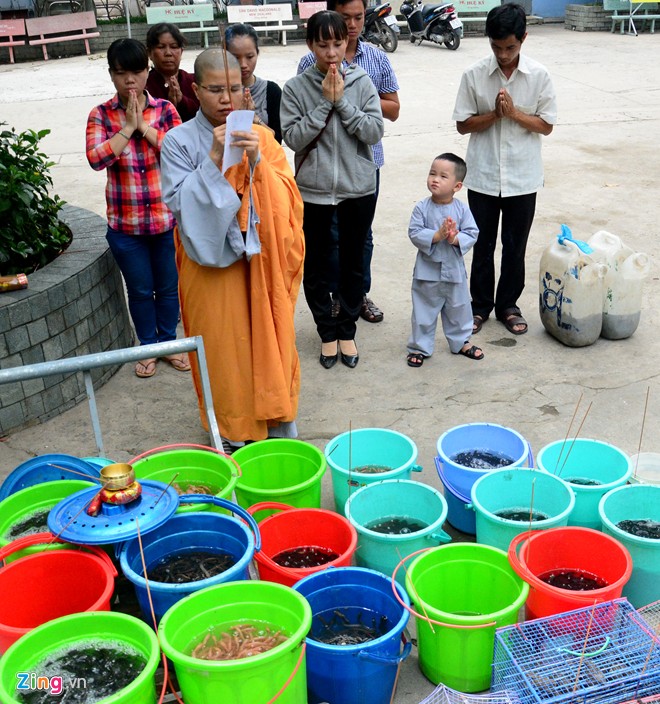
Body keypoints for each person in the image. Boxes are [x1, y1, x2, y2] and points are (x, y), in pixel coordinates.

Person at [160, 49, 305, 452]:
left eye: (236, 88)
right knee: (224, 354)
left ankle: (275, 426)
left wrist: (257, 162)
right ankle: (231, 433)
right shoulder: (177, 141)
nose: (227, 99)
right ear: (195, 89)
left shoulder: (262, 137)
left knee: (268, 342)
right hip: (210, 271)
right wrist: (211, 161)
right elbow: (179, 205)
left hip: (260, 265)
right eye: (216, 89)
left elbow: (288, 202)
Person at [282, 11, 384, 370]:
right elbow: (292, 138)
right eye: (322, 44)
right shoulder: (296, 88)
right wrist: (325, 102)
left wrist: (342, 101)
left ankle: (347, 330)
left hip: (357, 189)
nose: (330, 52)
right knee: (317, 267)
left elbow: (374, 132)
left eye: (337, 43)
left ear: (347, 42)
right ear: (311, 45)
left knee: (353, 266)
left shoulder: (362, 82)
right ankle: (326, 333)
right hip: (313, 191)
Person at [86, 38, 189, 379]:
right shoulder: (100, 115)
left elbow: (178, 152)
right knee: (141, 290)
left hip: (165, 221)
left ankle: (168, 345)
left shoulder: (165, 111)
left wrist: (142, 127)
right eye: (121, 73)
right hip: (125, 226)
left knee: (169, 287)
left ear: (147, 72)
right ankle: (147, 347)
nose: (130, 80)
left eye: (136, 72)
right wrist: (127, 128)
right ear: (112, 75)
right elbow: (96, 159)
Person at [452, 3, 557, 337]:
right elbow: (463, 125)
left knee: (515, 245)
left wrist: (513, 114)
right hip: (483, 175)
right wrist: (494, 115)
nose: (504, 54)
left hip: (523, 177)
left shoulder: (539, 76)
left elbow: (546, 126)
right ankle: (479, 306)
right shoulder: (474, 74)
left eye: (510, 47)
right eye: (496, 47)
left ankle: (508, 305)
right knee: (481, 244)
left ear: (524, 38)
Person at [297, 0, 399, 324]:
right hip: (322, 165)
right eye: (346, 18)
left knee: (361, 237)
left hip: (365, 163)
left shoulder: (375, 59)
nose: (353, 25)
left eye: (358, 17)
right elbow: (300, 121)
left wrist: (352, 97)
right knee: (328, 238)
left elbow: (393, 109)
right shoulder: (306, 65)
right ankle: (331, 300)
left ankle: (357, 296)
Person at [406, 154, 483, 367]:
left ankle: (461, 341)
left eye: (442, 176)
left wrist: (454, 238)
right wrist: (437, 236)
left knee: (459, 308)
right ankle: (419, 347)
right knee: (423, 311)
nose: (435, 179)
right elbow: (414, 232)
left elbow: (472, 232)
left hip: (454, 271)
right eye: (432, 173)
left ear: (457, 186)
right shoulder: (422, 208)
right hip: (427, 272)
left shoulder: (462, 209)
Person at [225, 23, 283, 143]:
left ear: (257, 54)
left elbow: (277, 140)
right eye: (235, 58)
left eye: (250, 57)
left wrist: (254, 119)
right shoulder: (218, 92)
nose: (243, 65)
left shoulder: (271, 91)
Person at [145, 23, 200, 122]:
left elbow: (204, 115)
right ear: (149, 53)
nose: (168, 53)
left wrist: (182, 101)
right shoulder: (144, 86)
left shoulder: (194, 81)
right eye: (161, 47)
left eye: (174, 47)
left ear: (181, 51)